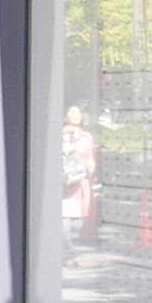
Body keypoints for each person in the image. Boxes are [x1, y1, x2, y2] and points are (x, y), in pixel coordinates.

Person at [61, 104, 97, 255]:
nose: (76, 115)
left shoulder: (87, 137)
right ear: (65, 117)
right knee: (65, 218)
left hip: (81, 181)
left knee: (78, 222)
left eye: (78, 113)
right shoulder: (60, 134)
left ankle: (66, 248)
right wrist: (66, 149)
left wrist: (91, 165)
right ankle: (67, 251)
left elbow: (89, 156)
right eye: (72, 112)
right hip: (66, 182)